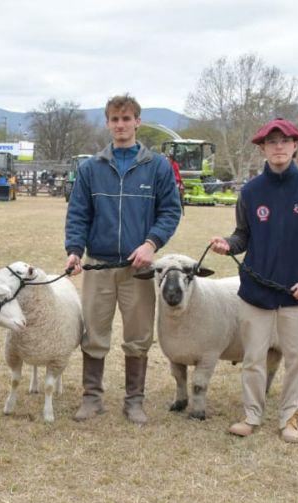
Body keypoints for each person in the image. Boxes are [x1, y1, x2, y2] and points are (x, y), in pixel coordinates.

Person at [208, 118, 298, 443]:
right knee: (253, 358)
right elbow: (243, 235)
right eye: (272, 142)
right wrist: (227, 244)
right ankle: (251, 415)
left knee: (297, 357)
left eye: (284, 141)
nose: (278, 146)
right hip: (256, 291)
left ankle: (289, 418)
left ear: (295, 145)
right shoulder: (251, 191)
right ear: (262, 148)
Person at [64, 94, 182, 425]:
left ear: (137, 122)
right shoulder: (91, 168)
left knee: (139, 336)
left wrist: (151, 243)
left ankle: (134, 401)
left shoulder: (157, 167)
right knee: (94, 333)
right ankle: (92, 398)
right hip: (99, 266)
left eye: (126, 119)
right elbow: (78, 213)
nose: (120, 125)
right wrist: (74, 250)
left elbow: (170, 211)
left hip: (138, 269)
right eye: (114, 120)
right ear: (107, 124)